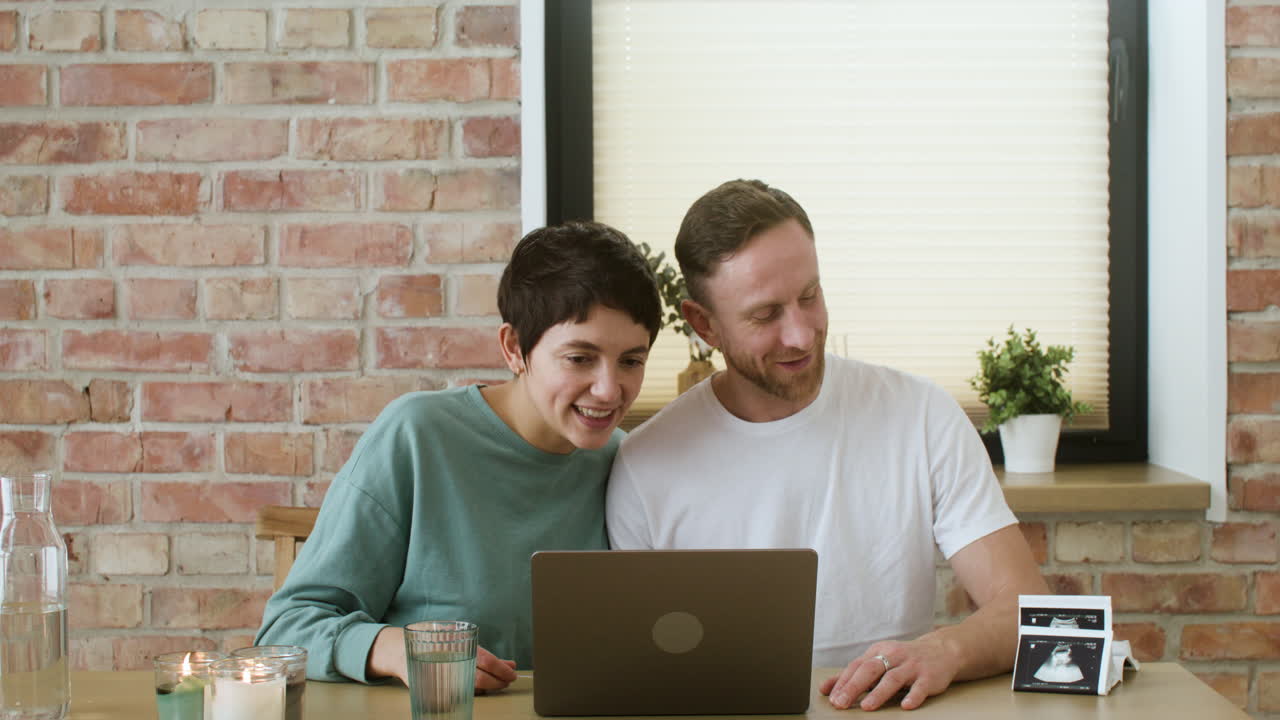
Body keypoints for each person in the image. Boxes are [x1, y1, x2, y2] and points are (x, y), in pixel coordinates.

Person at [605, 179, 1049, 711]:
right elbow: (638, 670)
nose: (801, 333)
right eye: (766, 314)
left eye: (810, 296)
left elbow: (1027, 611)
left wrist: (943, 649)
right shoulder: (645, 465)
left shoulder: (920, 415)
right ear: (705, 325)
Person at [257, 221, 663, 690]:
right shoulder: (417, 435)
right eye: (579, 358)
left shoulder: (625, 463)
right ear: (515, 349)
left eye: (631, 361)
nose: (610, 390)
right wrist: (392, 648)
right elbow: (285, 631)